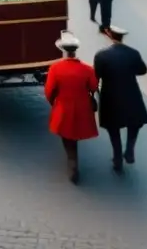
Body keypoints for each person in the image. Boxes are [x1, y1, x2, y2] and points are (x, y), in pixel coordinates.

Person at [44, 31, 98, 184]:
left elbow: (49, 91)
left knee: (66, 135)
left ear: (63, 50)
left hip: (64, 107)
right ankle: (73, 159)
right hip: (82, 107)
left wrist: (53, 102)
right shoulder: (87, 69)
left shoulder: (55, 68)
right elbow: (94, 86)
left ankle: (72, 161)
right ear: (76, 51)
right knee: (76, 132)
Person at [94, 26, 147, 173]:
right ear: (122, 37)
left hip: (110, 95)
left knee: (113, 128)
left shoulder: (101, 55)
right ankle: (130, 149)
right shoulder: (133, 53)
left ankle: (117, 157)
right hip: (131, 92)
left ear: (109, 35)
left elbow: (96, 77)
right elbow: (143, 70)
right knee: (135, 123)